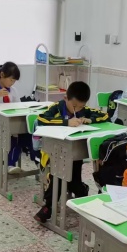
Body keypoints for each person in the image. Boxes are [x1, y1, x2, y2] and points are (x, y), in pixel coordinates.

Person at [34, 81, 108, 223]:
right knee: (59, 175)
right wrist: (65, 122)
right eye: (74, 106)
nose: (78, 109)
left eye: (81, 106)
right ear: (66, 98)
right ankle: (49, 205)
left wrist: (90, 120)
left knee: (73, 179)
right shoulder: (57, 107)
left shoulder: (84, 110)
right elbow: (41, 119)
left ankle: (80, 191)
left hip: (75, 153)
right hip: (55, 153)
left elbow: (105, 116)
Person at [0, 62, 36, 175]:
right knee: (14, 135)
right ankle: (9, 164)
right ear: (2, 75)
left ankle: (35, 162)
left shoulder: (13, 90)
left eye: (14, 81)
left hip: (11, 123)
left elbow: (19, 108)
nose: (12, 83)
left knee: (27, 134)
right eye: (11, 80)